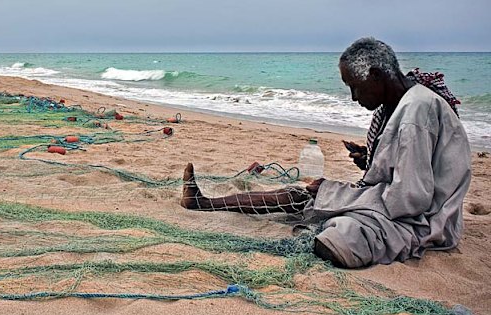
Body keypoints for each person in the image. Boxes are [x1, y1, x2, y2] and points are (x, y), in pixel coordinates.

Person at [180, 37, 472, 268]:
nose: (354, 97)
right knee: (306, 195)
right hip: (395, 207)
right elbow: (403, 172)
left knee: (338, 235)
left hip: (423, 222)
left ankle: (208, 203)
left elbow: (410, 200)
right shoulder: (402, 104)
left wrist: (343, 196)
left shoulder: (415, 113)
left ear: (377, 76)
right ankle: (204, 203)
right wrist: (368, 164)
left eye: (355, 87)